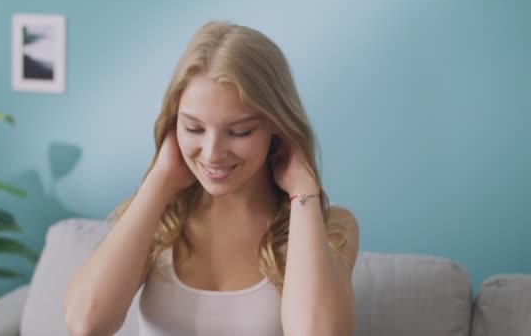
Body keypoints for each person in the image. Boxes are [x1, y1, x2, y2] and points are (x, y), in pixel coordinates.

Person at [63, 20, 359, 336]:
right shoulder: (156, 220)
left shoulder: (331, 228)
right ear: (172, 125)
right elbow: (85, 323)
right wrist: (160, 180)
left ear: (277, 129)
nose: (213, 153)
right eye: (194, 128)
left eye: (240, 131)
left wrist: (303, 190)